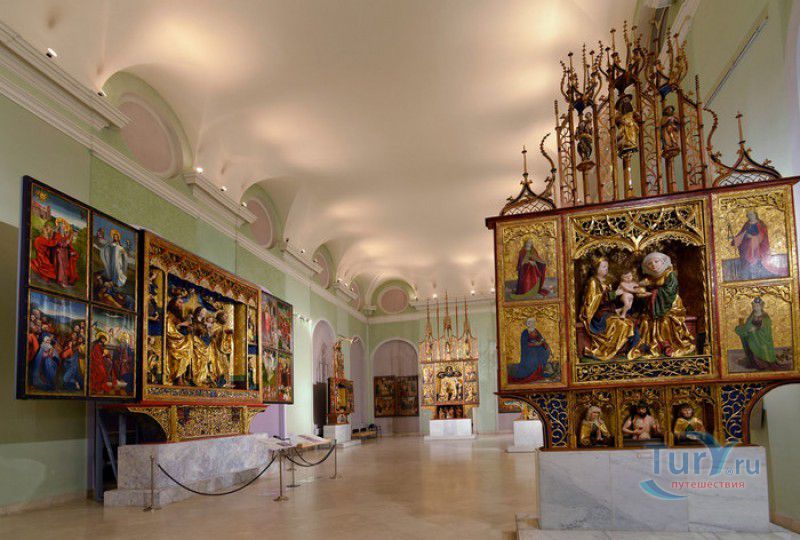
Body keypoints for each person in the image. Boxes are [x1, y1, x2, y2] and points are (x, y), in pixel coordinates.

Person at [634, 252, 696, 358]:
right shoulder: (649, 277)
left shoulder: (669, 274)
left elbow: (670, 291)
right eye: (650, 263)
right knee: (646, 321)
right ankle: (653, 345)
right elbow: (641, 289)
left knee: (665, 321)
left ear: (663, 262)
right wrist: (641, 291)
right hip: (654, 306)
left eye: (656, 261)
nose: (653, 265)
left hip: (671, 304)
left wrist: (652, 293)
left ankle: (669, 344)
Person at [580, 257, 636, 361]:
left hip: (608, 311)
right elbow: (594, 300)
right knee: (622, 324)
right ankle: (608, 351)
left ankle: (624, 350)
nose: (606, 269)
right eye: (603, 267)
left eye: (607, 267)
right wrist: (614, 294)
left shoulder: (607, 282)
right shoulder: (593, 282)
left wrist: (620, 297)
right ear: (596, 268)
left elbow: (610, 300)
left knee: (630, 322)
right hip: (598, 315)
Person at [732, 211, 783, 280]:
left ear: (755, 215)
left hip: (759, 245)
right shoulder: (747, 224)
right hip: (747, 245)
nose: (750, 216)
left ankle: (758, 274)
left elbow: (763, 234)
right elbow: (742, 233)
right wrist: (741, 237)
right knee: (745, 252)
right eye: (749, 215)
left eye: (751, 214)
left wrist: (753, 237)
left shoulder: (760, 224)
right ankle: (748, 276)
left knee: (756, 258)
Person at [735, 297, 778, 370]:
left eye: (757, 306)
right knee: (748, 339)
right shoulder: (752, 315)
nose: (756, 307)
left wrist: (756, 329)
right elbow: (748, 325)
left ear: (761, 306)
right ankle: (753, 361)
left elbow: (766, 328)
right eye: (754, 306)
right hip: (753, 336)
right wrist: (744, 327)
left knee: (755, 343)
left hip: (762, 338)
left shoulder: (765, 317)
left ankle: (764, 362)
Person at [508, 317, 551, 383]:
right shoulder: (525, 332)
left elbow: (541, 339)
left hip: (537, 348)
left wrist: (544, 344)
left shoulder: (536, 331)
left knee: (546, 351)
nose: (530, 323)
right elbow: (525, 344)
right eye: (529, 322)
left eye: (532, 322)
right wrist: (535, 344)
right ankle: (531, 372)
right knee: (533, 354)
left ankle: (541, 370)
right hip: (528, 350)